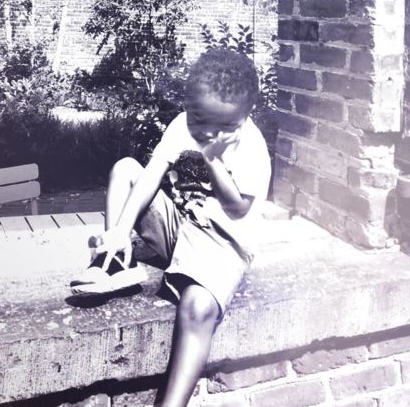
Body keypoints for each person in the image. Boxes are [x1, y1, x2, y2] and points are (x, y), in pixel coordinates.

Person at [70, 48, 272, 407]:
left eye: (224, 126)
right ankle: (116, 259)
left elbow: (237, 208)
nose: (208, 132)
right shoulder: (181, 125)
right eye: (199, 120)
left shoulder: (251, 145)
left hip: (222, 241)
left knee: (197, 307)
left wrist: (212, 160)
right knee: (125, 169)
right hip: (180, 227)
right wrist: (121, 229)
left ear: (246, 114)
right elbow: (151, 176)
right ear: (187, 105)